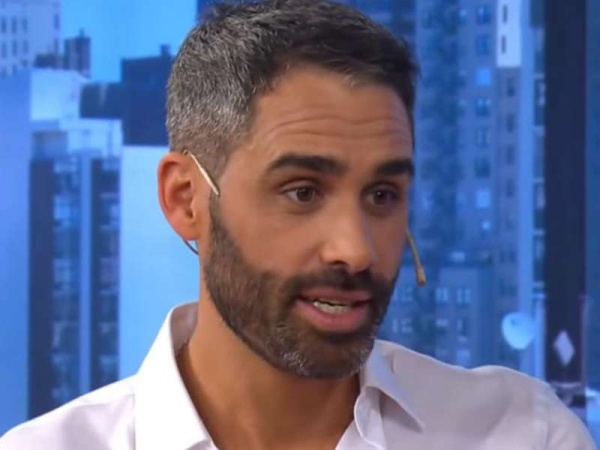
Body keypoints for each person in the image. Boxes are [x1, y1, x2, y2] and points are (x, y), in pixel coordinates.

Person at [1, 0, 596, 449]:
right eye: (303, 192)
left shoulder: (521, 434)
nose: (355, 251)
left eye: (382, 195)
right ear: (186, 199)